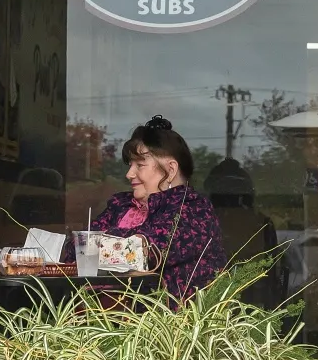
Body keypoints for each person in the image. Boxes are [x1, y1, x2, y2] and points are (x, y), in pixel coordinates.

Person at [84, 116, 227, 299]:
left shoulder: (194, 211)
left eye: (140, 165)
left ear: (170, 170)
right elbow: (76, 247)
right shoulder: (121, 205)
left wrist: (97, 245)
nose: (129, 174)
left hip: (165, 323)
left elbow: (146, 250)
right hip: (104, 318)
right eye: (130, 165)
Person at [205, 157, 286, 308]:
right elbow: (272, 273)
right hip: (251, 307)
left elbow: (272, 272)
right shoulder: (262, 223)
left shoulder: (203, 222)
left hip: (216, 307)